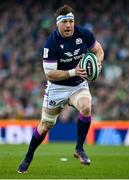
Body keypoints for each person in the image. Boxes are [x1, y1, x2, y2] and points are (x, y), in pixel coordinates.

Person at [17, 4, 104, 173]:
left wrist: (98, 63)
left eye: (71, 21)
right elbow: (50, 75)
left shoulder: (84, 33)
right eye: (65, 22)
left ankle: (79, 148)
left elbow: (99, 51)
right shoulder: (51, 43)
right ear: (58, 24)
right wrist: (73, 71)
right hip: (57, 88)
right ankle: (28, 156)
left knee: (86, 107)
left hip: (78, 85)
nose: (69, 25)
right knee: (45, 125)